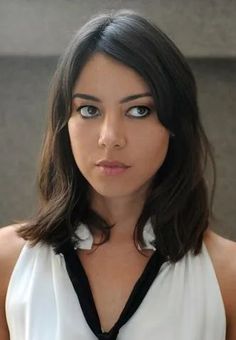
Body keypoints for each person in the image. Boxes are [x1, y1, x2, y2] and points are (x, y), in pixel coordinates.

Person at [0, 9, 235, 340]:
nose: (110, 136)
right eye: (89, 110)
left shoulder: (227, 276)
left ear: (174, 125)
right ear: (63, 124)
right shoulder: (7, 265)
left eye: (139, 110)